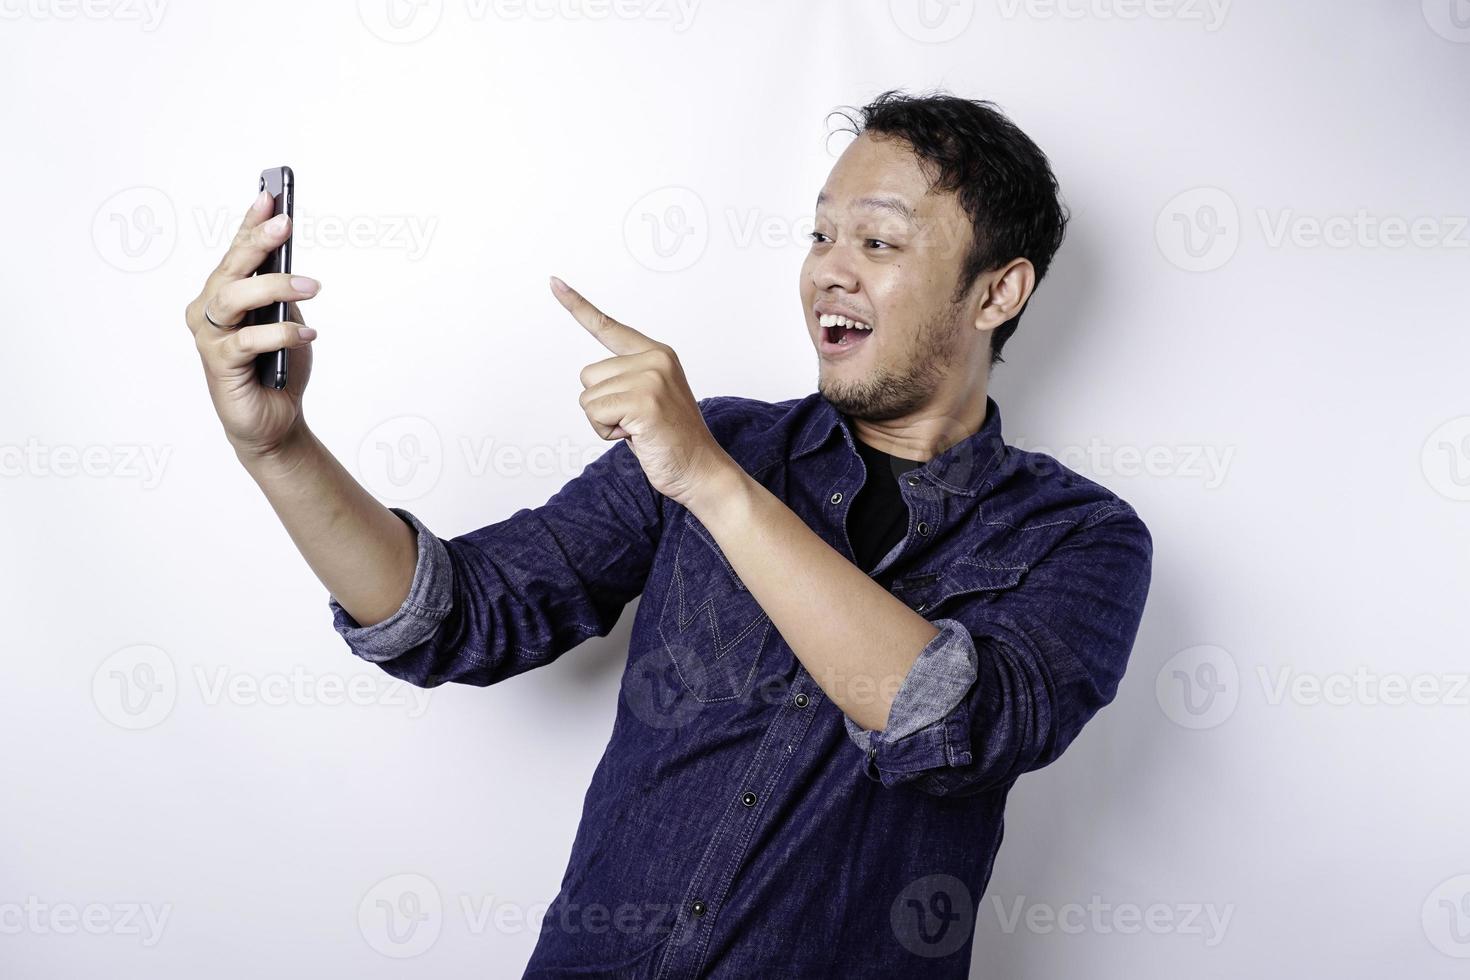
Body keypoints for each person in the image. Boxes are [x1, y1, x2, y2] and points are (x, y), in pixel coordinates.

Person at [183, 88, 1152, 978]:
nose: (828, 271)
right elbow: (453, 615)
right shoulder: (720, 437)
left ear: (997, 292)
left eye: (880, 243)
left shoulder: (1079, 536)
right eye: (820, 234)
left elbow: (946, 723)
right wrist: (280, 449)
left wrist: (709, 482)